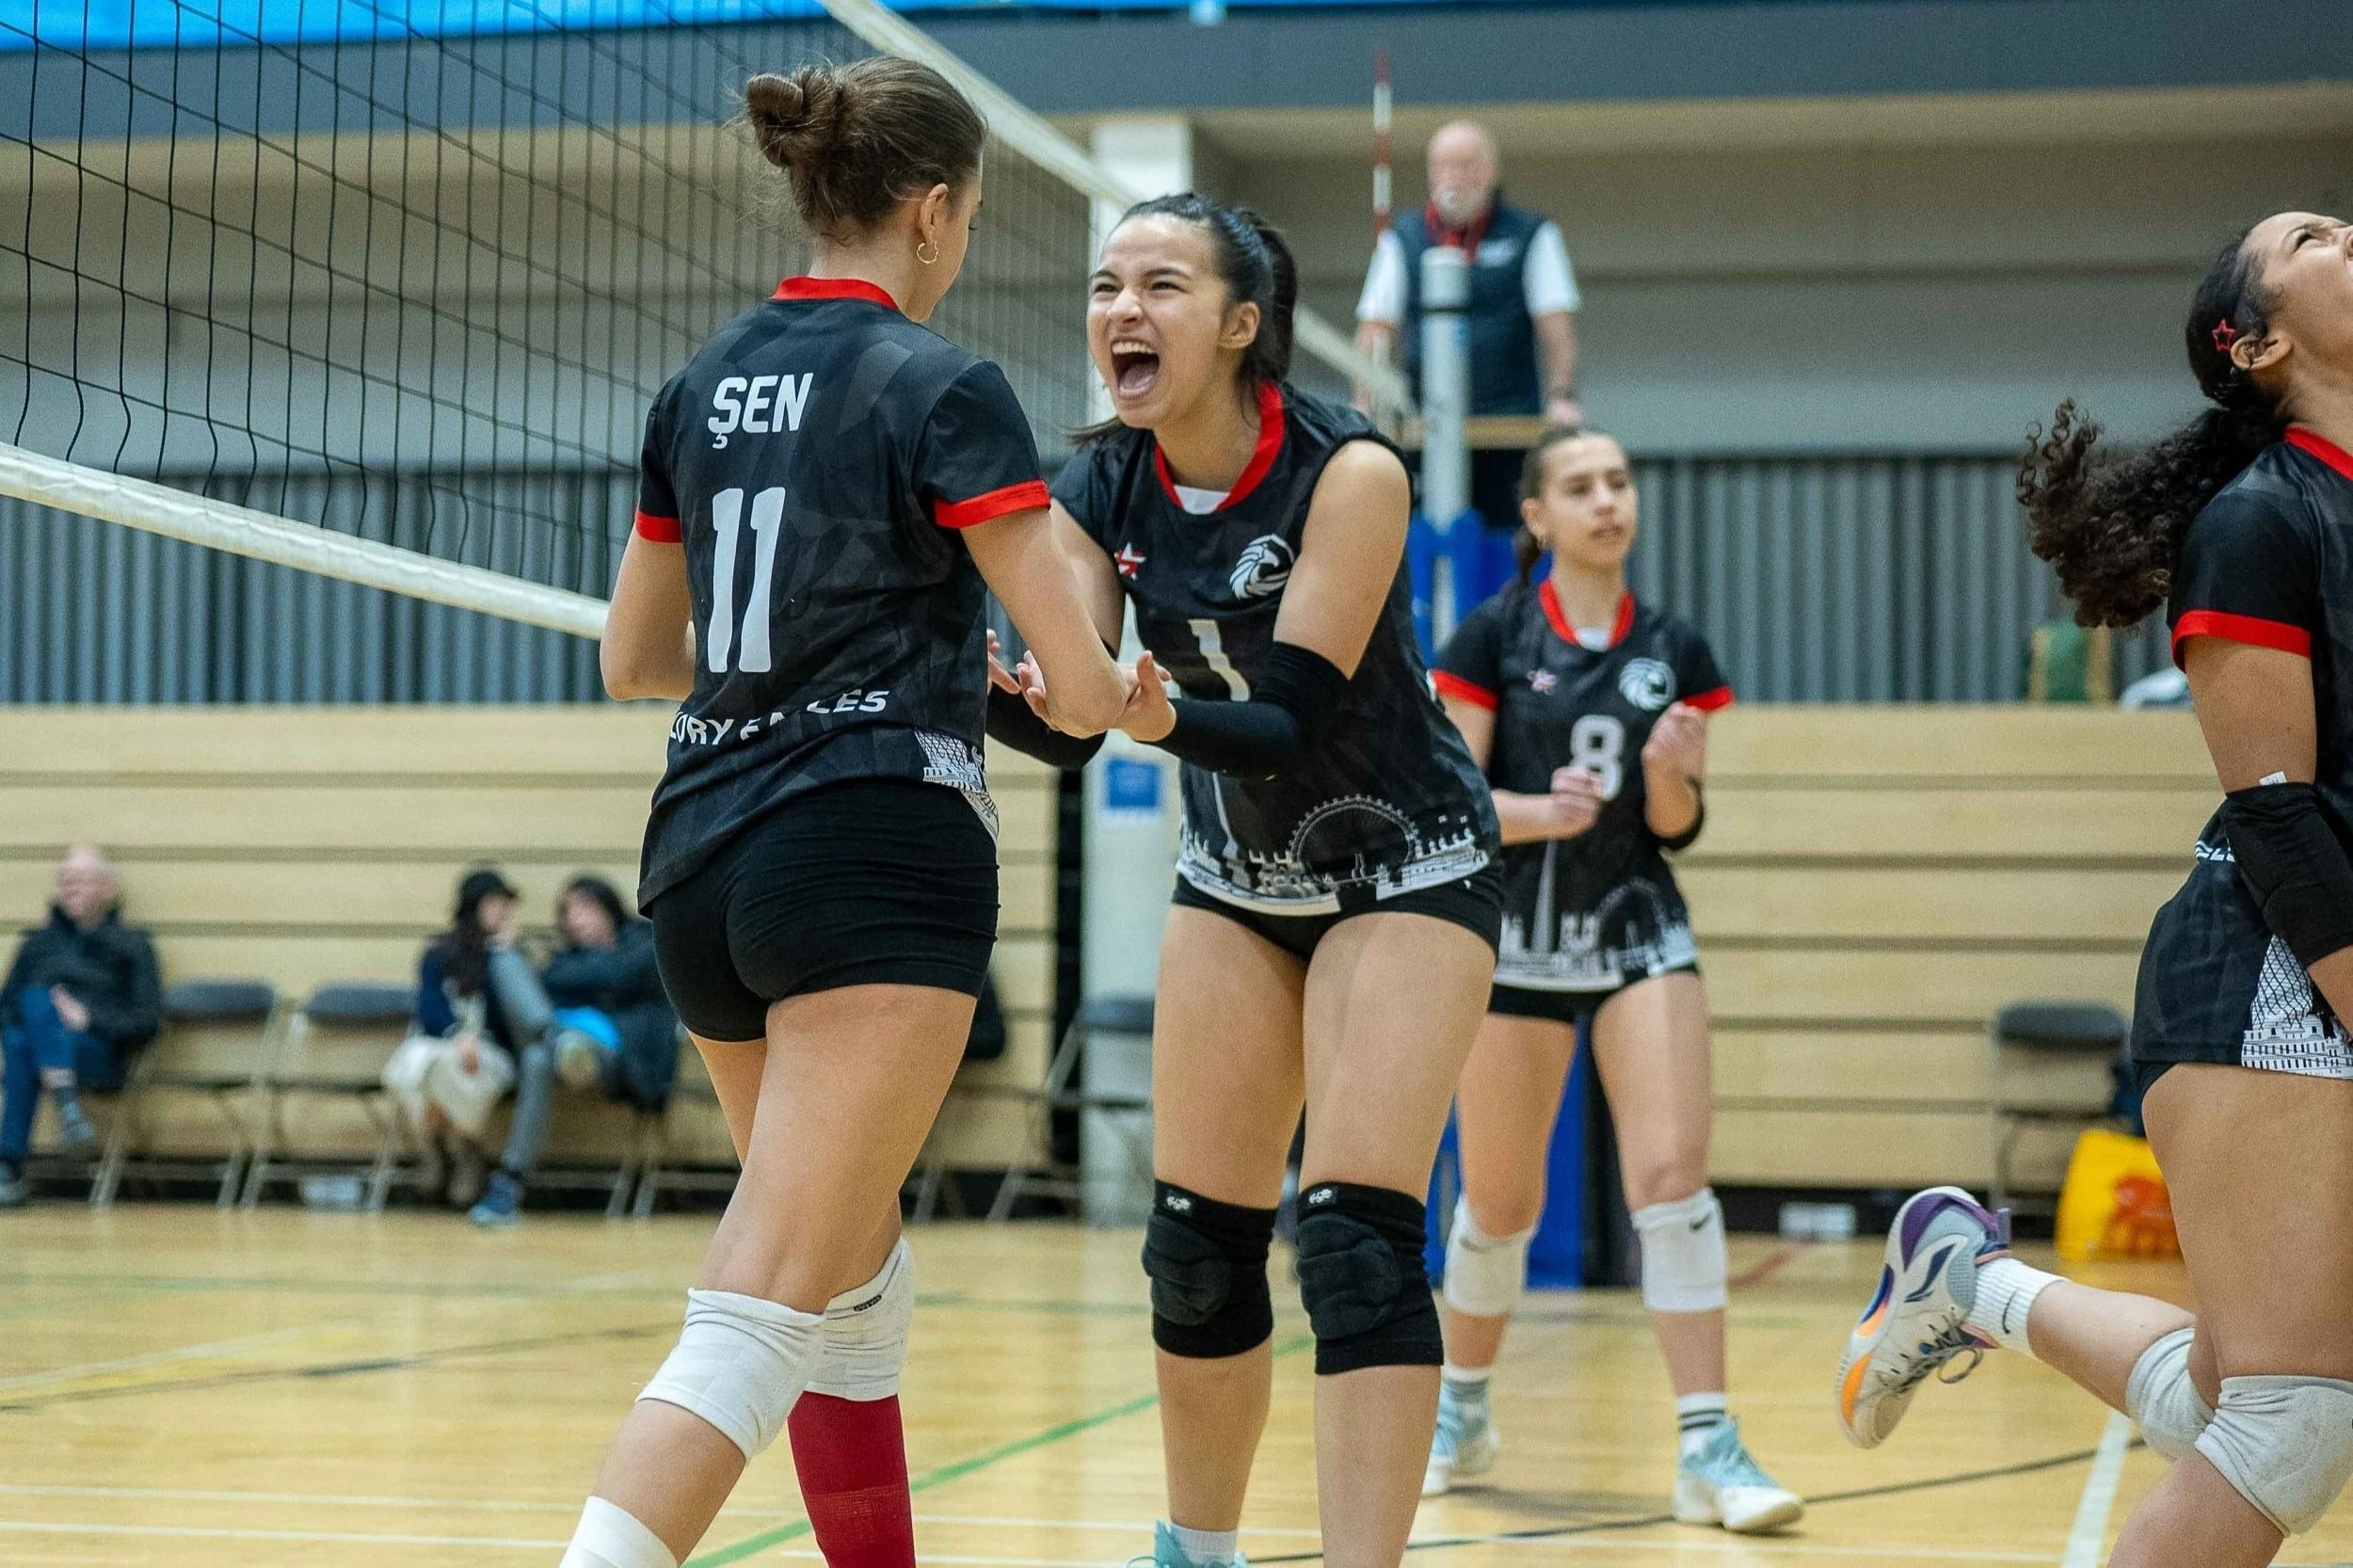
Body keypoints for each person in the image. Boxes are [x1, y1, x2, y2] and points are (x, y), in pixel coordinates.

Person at [556, 56, 1126, 1568]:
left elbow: (635, 658)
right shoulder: (943, 386)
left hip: (700, 865)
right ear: (933, 212)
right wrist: (1093, 680)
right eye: (975, 220)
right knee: (757, 1304)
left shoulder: (701, 382)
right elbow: (1074, 683)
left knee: (848, 1279)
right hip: (873, 850)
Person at [1838, 211, 2353, 1568]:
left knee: (2243, 1402)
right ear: (2258, 343)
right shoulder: (2258, 522)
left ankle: (1973, 1282)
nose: (2349, 229)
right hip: (2277, 967)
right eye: (2313, 234)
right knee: (2292, 1424)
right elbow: (2279, 818)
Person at [1008, 191, 1503, 1568]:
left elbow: (1282, 715)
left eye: (1160, 286)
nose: (1121, 310)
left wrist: (1142, 715)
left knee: (1349, 1240)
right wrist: (970, 685)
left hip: (1404, 862)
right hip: (1236, 875)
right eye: (1108, 285)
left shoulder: (1352, 471)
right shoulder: (1097, 481)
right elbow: (1069, 715)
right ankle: (1198, 1549)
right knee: (1196, 1244)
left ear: (1241, 325)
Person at [1424, 427, 1799, 1530]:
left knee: (1674, 1178)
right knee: (1499, 1202)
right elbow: (1457, 806)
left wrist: (1667, 779)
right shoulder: (1492, 633)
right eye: (1579, 486)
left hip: (1635, 922)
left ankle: (1706, 1445)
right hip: (1519, 938)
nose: (1606, 501)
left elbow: (1676, 827)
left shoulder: (1675, 647)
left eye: (1619, 481)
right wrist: (1543, 810)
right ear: (1535, 516)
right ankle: (1461, 1408)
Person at [1353, 120, 1581, 535]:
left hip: (1509, 427)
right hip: (1426, 426)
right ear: (1430, 172)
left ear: (1492, 172)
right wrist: (1364, 404)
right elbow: (1375, 328)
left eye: (1467, 164)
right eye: (1445, 164)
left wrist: (1561, 397)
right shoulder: (1401, 237)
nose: (1455, 176)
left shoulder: (1531, 234)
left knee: (1510, 538)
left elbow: (1556, 327)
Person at [468, 874, 680, 1228]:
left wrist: (570, 976)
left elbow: (619, 974)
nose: (576, 919)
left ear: (607, 907)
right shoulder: (562, 960)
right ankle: (555, 1041)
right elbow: (549, 982)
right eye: (568, 911)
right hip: (556, 1044)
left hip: (615, 1053)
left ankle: (508, 1186)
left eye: (585, 908)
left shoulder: (644, 943)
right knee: (504, 961)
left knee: (549, 1050)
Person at [0, 846, 160, 1208]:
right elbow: (6, 1007)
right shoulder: (37, 943)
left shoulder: (134, 945)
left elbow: (147, 1019)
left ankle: (9, 1166)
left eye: (81, 880)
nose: (70, 888)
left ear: (108, 889)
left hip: (97, 1052)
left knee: (20, 1041)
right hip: (35, 1051)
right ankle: (67, 1104)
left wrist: (88, 1019)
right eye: (65, 881)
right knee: (28, 1017)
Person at [385, 866, 528, 1208]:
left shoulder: (511, 955)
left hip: (492, 1050)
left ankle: (459, 1149)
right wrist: (456, 1035)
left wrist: (506, 957)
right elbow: (430, 1004)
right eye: (495, 902)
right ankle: (447, 1147)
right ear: (474, 905)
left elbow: (516, 1015)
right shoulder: (438, 953)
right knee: (421, 1061)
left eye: (507, 904)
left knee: (452, 1068)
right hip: (446, 1044)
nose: (503, 911)